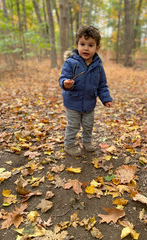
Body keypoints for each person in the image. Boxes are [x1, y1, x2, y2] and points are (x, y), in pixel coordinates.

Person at [59, 25, 112, 157]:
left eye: (90, 45)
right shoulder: (71, 62)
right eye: (83, 44)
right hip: (73, 102)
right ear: (77, 45)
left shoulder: (98, 66)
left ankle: (87, 142)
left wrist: (106, 98)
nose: (86, 48)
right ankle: (69, 145)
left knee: (88, 125)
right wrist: (66, 84)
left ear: (97, 48)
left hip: (89, 103)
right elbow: (63, 78)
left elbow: (102, 85)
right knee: (73, 125)